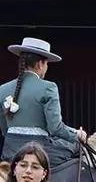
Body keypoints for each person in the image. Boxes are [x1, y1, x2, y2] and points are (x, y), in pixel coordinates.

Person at [0, 37, 86, 167]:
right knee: (76, 148)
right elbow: (55, 128)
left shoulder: (3, 89)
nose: (46, 68)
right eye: (47, 64)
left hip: (10, 152)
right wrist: (76, 135)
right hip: (40, 150)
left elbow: (4, 130)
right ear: (41, 64)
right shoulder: (48, 88)